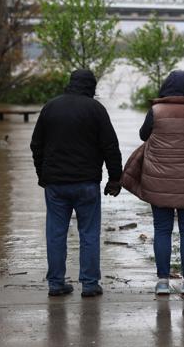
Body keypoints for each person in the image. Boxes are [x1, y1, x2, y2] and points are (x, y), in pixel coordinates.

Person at [30, 69, 122, 298]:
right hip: (86, 184)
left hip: (56, 184)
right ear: (91, 87)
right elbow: (110, 146)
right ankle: (90, 284)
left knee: (55, 233)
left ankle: (56, 283)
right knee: (89, 234)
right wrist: (115, 178)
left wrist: (42, 174)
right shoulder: (96, 110)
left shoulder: (50, 107)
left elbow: (36, 144)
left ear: (70, 84)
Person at [137, 70, 184, 295]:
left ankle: (162, 283)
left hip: (160, 181)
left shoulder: (155, 111)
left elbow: (142, 135)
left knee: (162, 230)